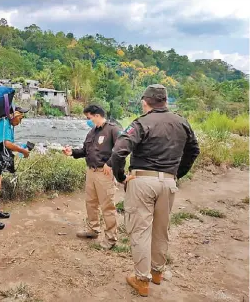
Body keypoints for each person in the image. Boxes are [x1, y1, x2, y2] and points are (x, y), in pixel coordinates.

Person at [111, 84, 200, 297]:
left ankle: (142, 280)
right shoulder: (182, 122)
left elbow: (118, 152)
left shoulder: (141, 123)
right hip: (168, 182)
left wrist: (122, 177)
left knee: (140, 229)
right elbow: (194, 150)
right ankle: (157, 272)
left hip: (142, 181)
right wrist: (177, 173)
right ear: (165, 101)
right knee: (161, 229)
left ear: (145, 101)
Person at [63, 105, 121, 249]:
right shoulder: (91, 132)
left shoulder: (112, 130)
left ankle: (111, 238)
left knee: (107, 206)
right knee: (91, 203)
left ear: (97, 115)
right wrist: (72, 153)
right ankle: (93, 229)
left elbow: (121, 149)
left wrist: (111, 164)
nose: (88, 120)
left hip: (105, 173)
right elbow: (85, 151)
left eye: (89, 117)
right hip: (91, 172)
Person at [0, 107, 30, 230]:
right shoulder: (3, 123)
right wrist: (22, 150)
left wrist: (20, 149)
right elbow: (6, 143)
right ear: (14, 114)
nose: (20, 121)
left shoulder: (7, 124)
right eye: (20, 118)